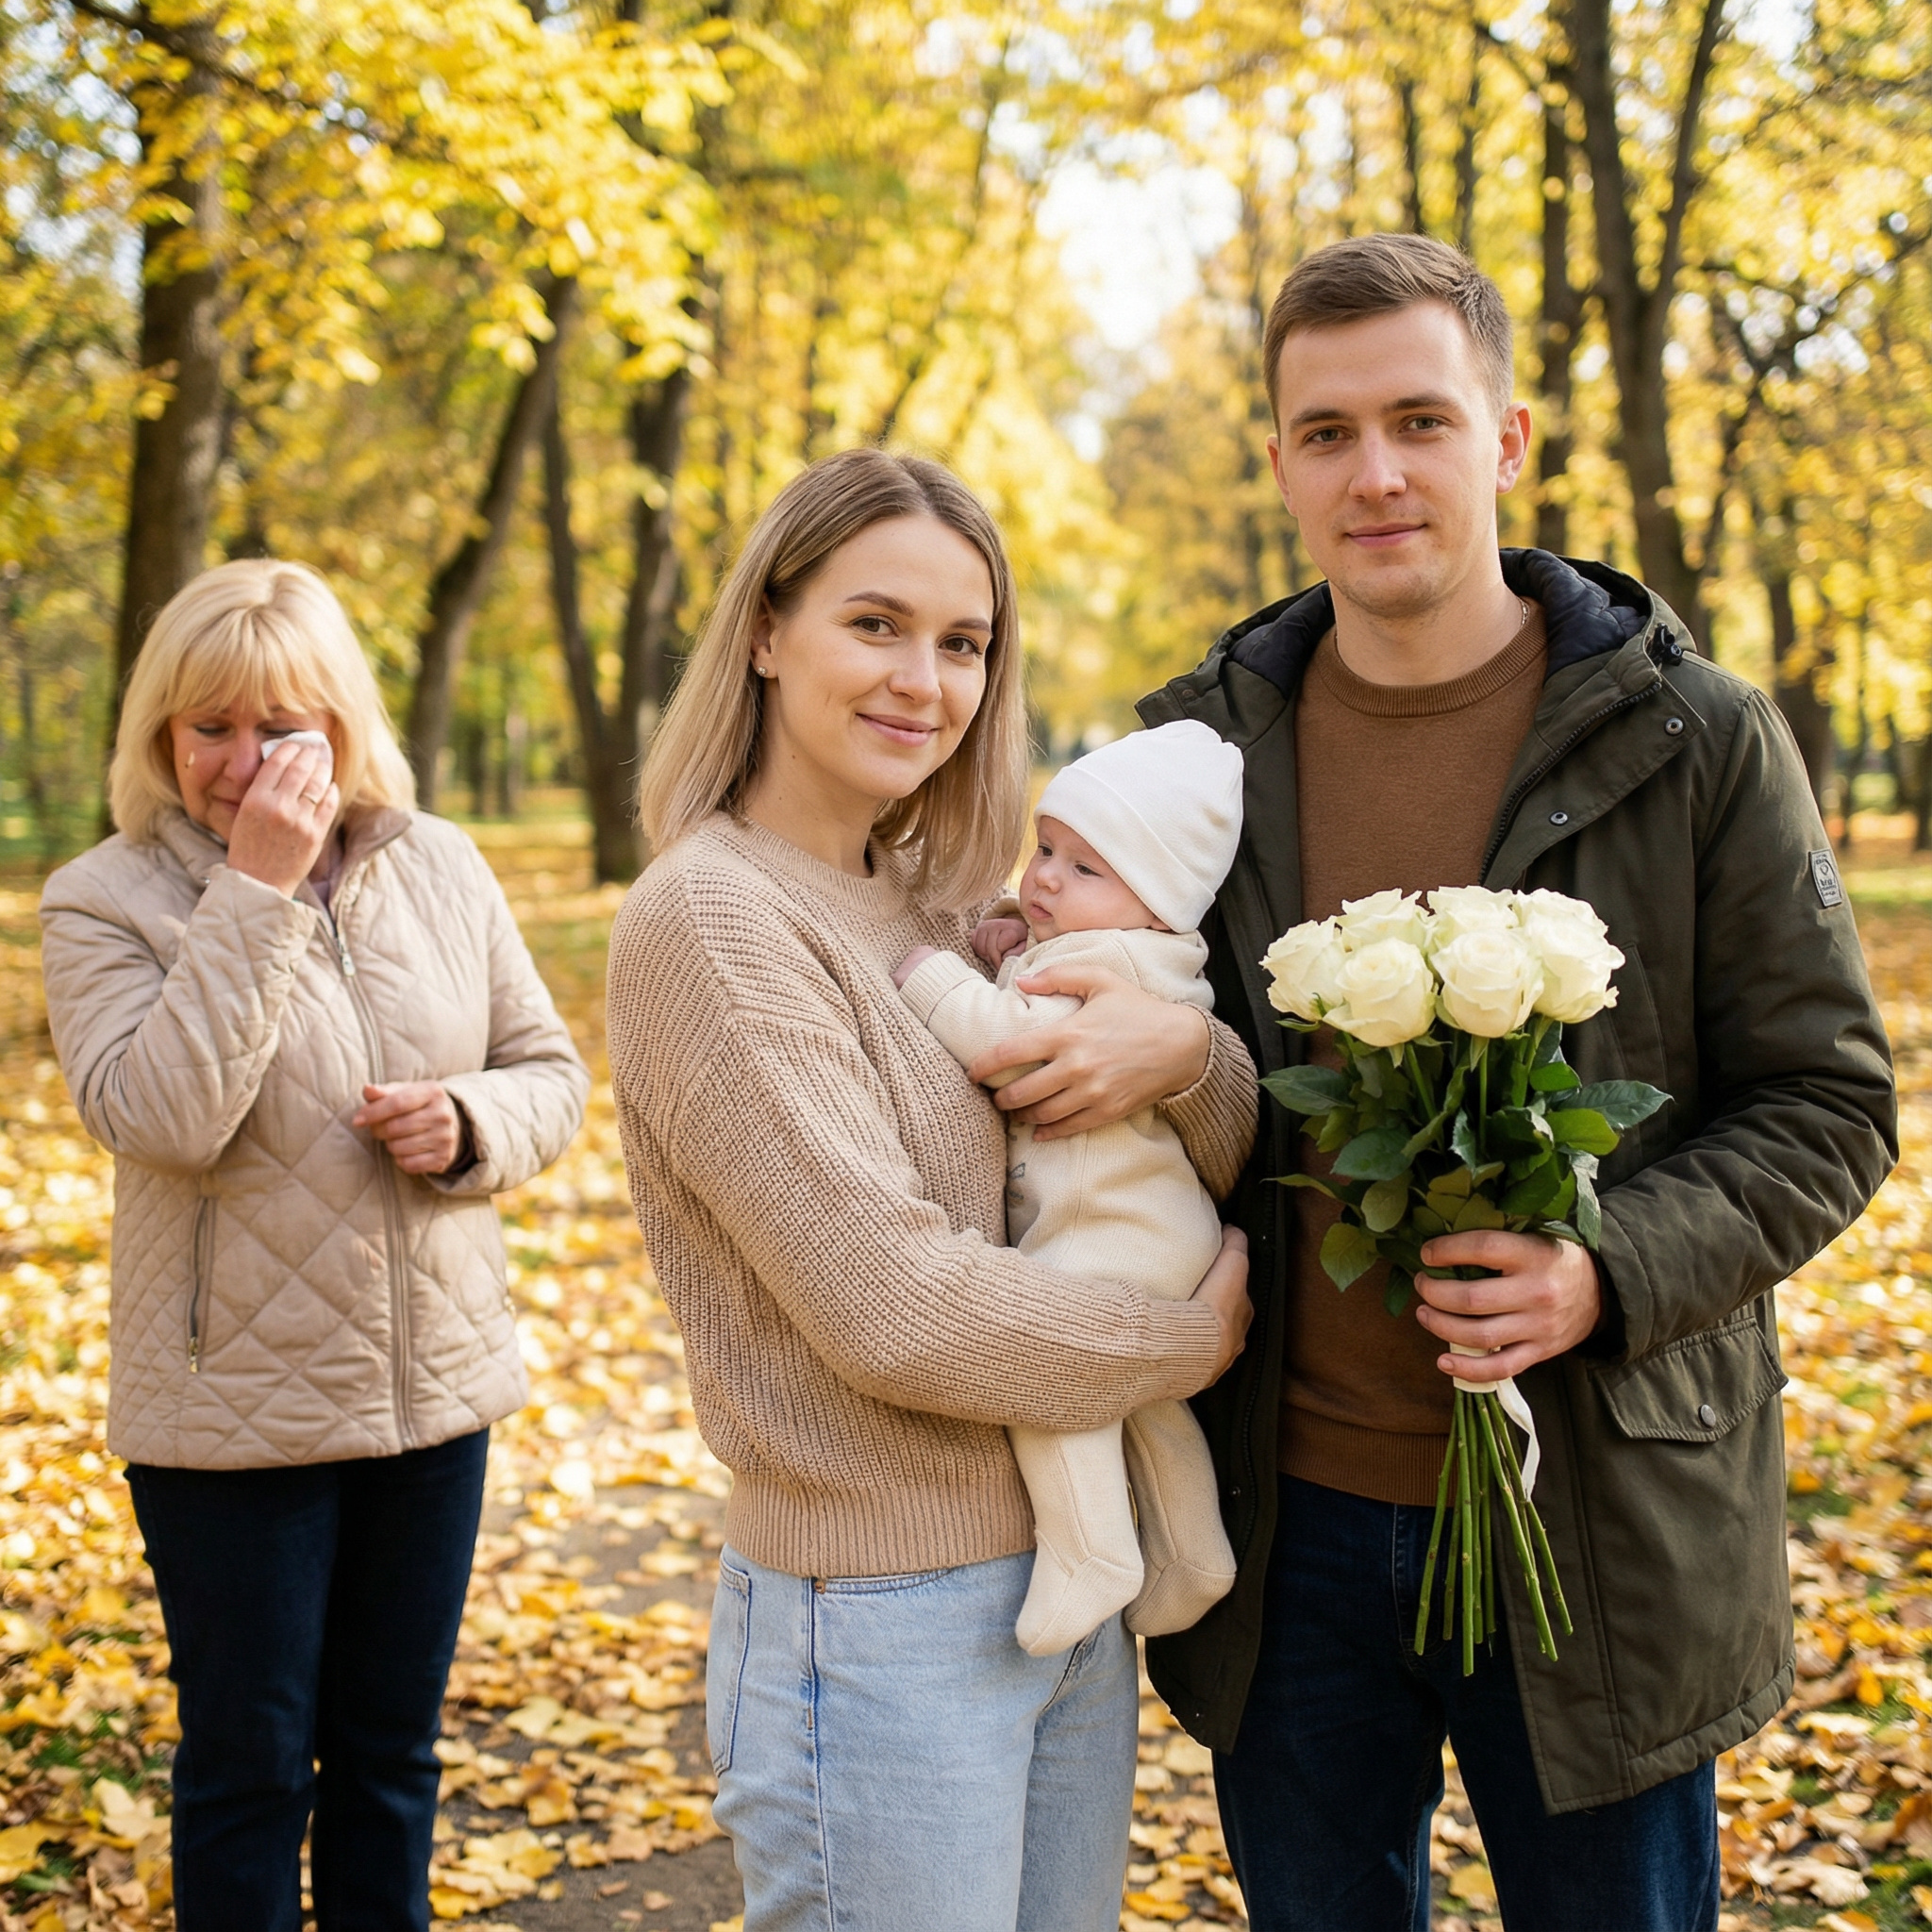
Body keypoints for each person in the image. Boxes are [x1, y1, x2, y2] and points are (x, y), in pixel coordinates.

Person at [1135, 233, 1898, 1932]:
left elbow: (1828, 1102)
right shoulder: (1191, 761)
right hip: (1286, 1530)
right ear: (1275, 460)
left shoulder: (1692, 737)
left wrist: (1602, 1266)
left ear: (1508, 439)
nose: (1375, 472)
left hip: (1599, 1520)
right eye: (1324, 432)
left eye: (1419, 417)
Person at [606, 446, 1256, 1932]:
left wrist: (1185, 1053)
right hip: (880, 1625)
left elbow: (1159, 1149)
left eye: (964, 644)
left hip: (1057, 1585)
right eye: (876, 624)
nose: (925, 679)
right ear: (767, 634)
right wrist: (1186, 1349)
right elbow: (894, 1306)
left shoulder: (930, 904)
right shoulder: (715, 915)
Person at [39, 559, 589, 1932]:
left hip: (431, 1404)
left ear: (340, 725)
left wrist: (470, 1122)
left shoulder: (441, 865)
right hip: (232, 1424)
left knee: (393, 1767)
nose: (241, 762)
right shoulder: (103, 900)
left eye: (279, 725)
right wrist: (258, 894)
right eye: (204, 727)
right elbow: (159, 1117)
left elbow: (552, 1072)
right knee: (248, 1772)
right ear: (160, 737)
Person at [891, 719, 1244, 1657]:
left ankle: (1091, 1549)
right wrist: (1014, 938)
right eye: (1046, 846)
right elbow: (1037, 973)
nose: (1043, 875)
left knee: (1056, 1376)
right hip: (1163, 1234)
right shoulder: (1142, 954)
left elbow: (1006, 1042)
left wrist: (929, 976)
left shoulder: (1108, 962)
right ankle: (1193, 1549)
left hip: (1103, 1235)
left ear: (1156, 904)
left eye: (1083, 869)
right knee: (1149, 1405)